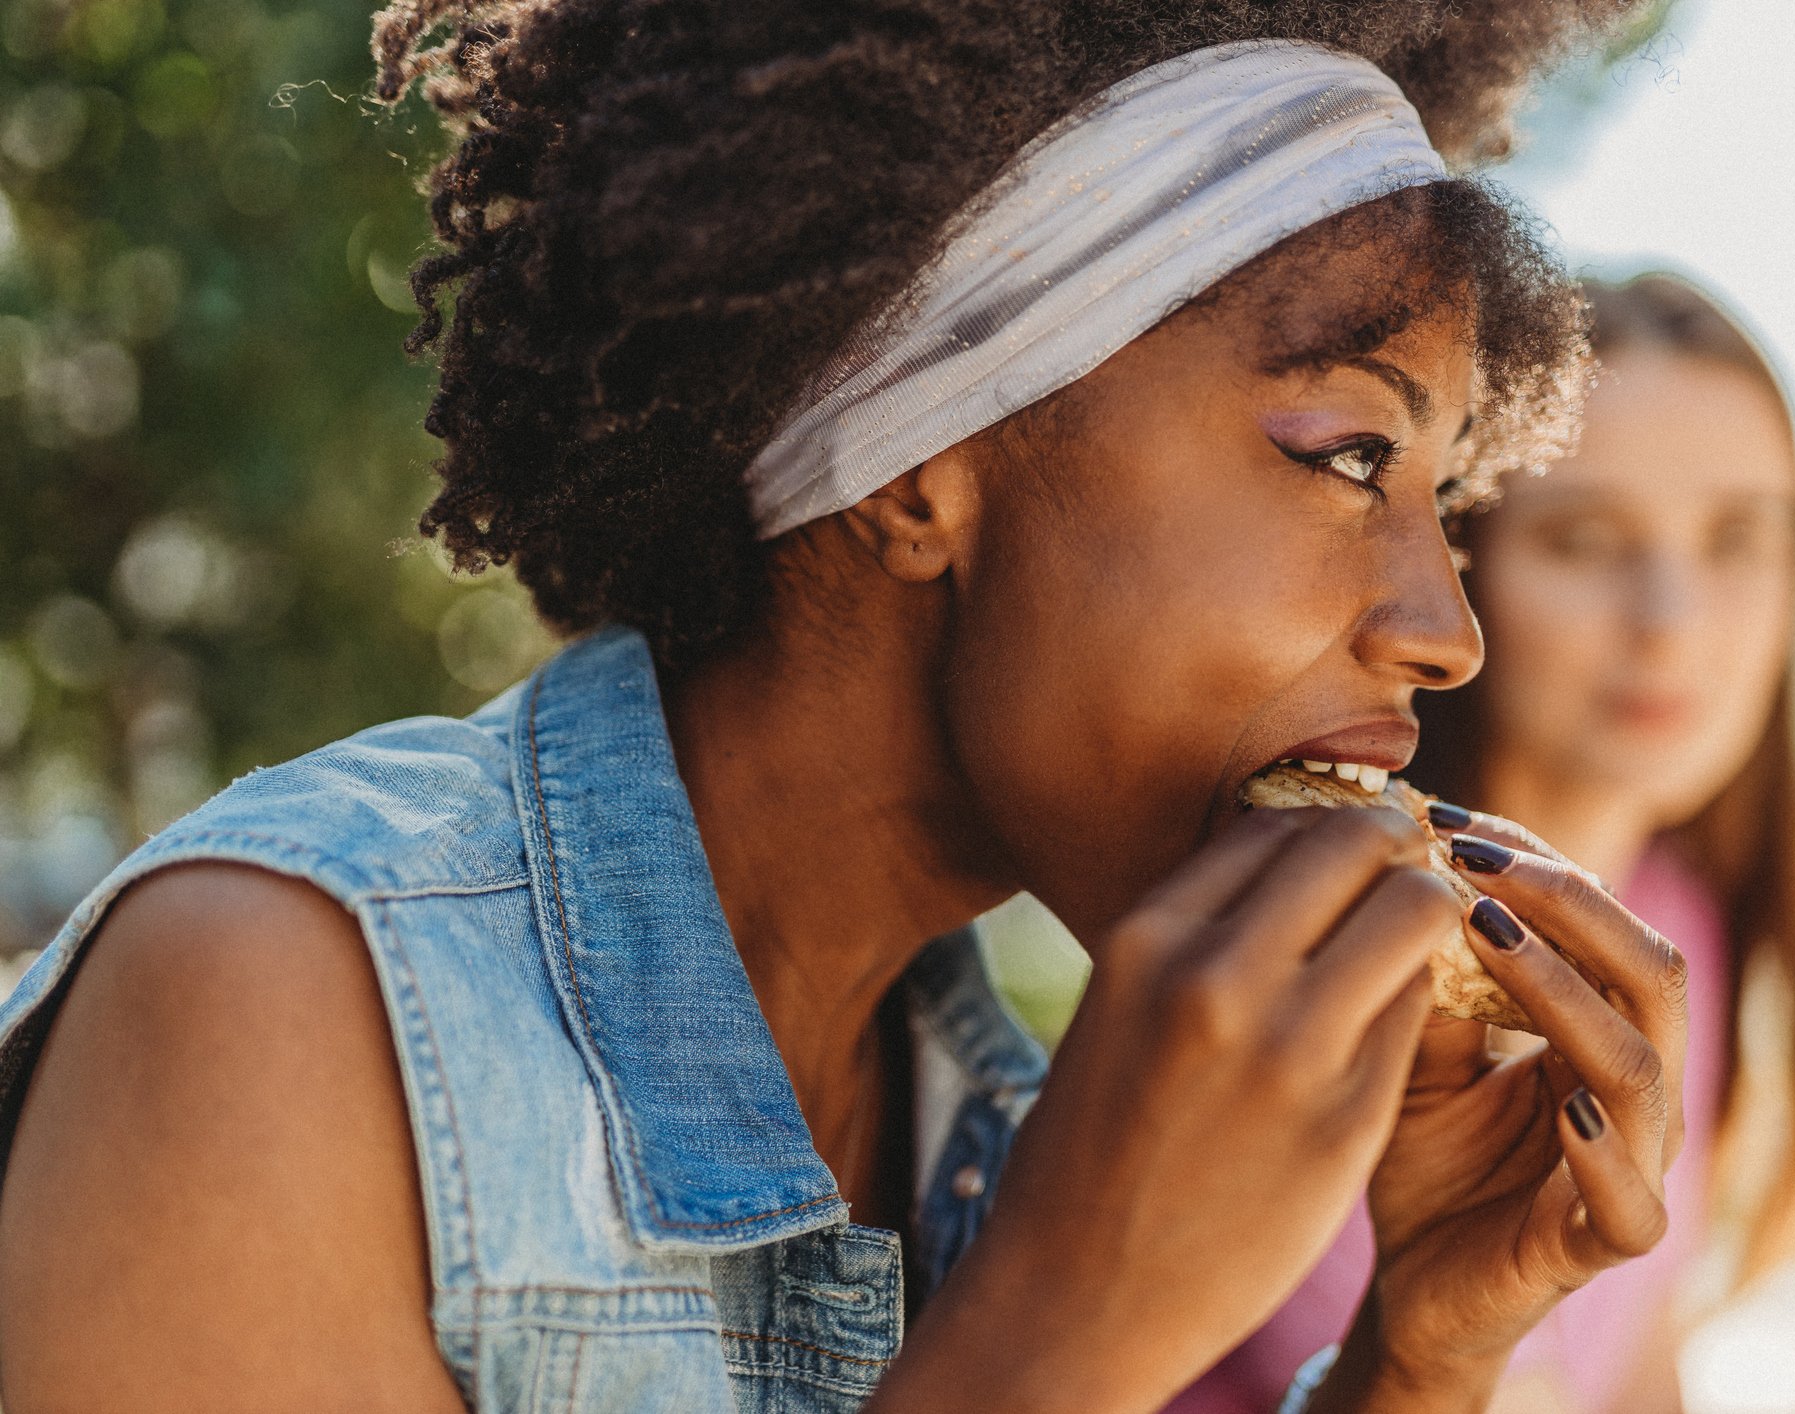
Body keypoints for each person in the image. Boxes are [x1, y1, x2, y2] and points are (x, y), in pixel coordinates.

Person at [0, 7, 1690, 1412]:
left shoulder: (981, 1114)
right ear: (914, 470)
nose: (1447, 630)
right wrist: (1055, 1334)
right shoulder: (283, 998)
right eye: (1345, 458)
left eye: (1445, 505)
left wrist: (1414, 1357)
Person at [1418, 272, 1795, 1412]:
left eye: (1738, 538)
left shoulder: (1677, 922)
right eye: (1587, 539)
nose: (1673, 618)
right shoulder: (1339, 941)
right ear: (1465, 560)